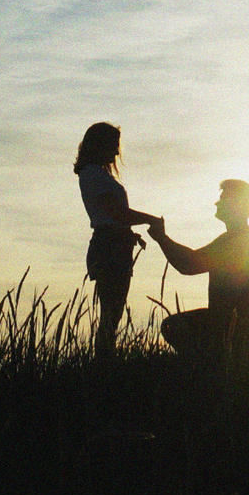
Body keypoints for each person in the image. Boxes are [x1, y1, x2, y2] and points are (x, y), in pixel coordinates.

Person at [74, 121, 165, 358]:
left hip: (115, 245)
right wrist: (150, 219)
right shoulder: (93, 174)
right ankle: (104, 365)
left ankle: (105, 363)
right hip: (109, 248)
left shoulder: (97, 174)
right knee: (110, 316)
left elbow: (113, 216)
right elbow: (115, 213)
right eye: (113, 145)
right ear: (101, 145)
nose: (116, 152)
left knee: (113, 315)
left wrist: (129, 232)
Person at [149, 179, 249, 364]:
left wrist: (161, 238)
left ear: (237, 205)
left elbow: (188, 264)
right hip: (237, 328)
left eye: (224, 198)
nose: (217, 203)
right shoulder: (237, 238)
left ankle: (204, 369)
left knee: (172, 326)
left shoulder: (234, 242)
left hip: (234, 332)